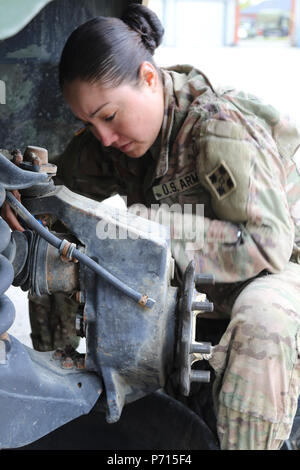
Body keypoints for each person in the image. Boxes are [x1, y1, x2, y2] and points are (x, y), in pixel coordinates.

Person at [6, 3, 300, 450]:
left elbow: (268, 243)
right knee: (63, 249)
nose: (103, 136)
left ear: (148, 78)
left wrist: (150, 230)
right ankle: (68, 410)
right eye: (89, 123)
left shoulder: (217, 127)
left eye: (108, 116)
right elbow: (52, 197)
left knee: (264, 319)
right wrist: (16, 197)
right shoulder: (112, 143)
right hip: (198, 276)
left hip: (274, 269)